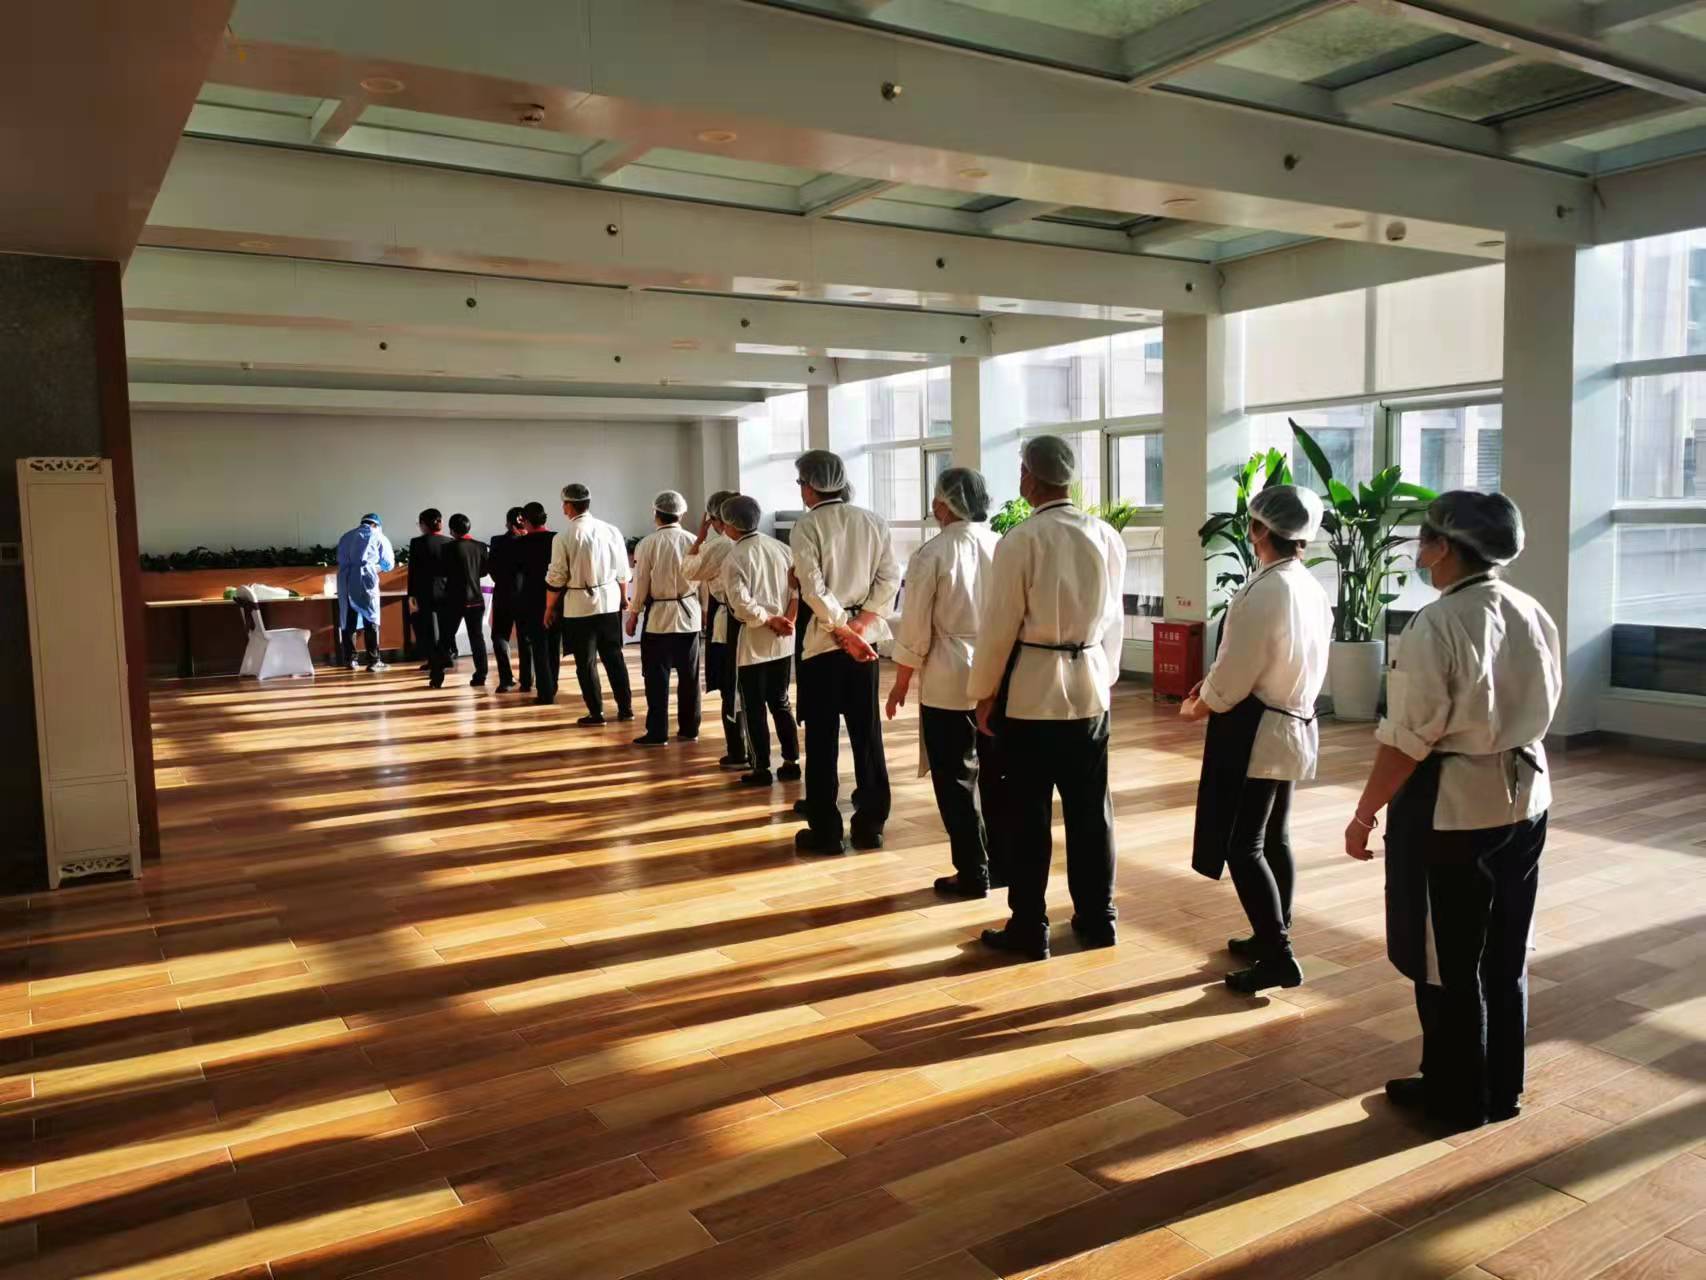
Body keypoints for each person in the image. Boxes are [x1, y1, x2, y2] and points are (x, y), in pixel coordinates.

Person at [1344, 491, 1560, 1133]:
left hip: (1455, 808)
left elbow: (1408, 740)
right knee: (1505, 949)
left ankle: (1456, 1094)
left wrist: (1364, 814)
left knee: (1447, 959)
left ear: (1443, 546)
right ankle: (1502, 1086)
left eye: (1424, 539)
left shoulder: (1435, 623)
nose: (1419, 550)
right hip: (1527, 797)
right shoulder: (1529, 608)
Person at [967, 435, 1127, 962]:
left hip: (1032, 693)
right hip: (1089, 688)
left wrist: (984, 692)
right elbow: (1114, 619)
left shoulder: (1022, 539)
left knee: (1027, 813)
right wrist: (1104, 676)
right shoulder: (1105, 535)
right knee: (1091, 811)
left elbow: (999, 625)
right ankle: (1099, 918)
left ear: (1030, 478)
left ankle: (1029, 925)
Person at [1180, 485, 1332, 994]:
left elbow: (1238, 668)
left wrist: (1201, 703)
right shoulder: (1309, 586)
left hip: (1258, 728)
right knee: (1275, 837)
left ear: (1260, 529)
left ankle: (1278, 954)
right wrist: (1213, 686)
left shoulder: (1265, 590)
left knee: (1242, 845)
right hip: (1293, 720)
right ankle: (1273, 930)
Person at [886, 467, 1006, 899]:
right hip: (999, 670)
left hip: (948, 672)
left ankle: (973, 870)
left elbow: (916, 628)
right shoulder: (1002, 544)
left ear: (943, 504)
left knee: (955, 778)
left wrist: (900, 682)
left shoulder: (932, 553)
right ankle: (1001, 862)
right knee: (996, 774)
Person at [790, 449, 901, 856]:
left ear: (810, 486)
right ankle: (871, 825)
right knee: (866, 735)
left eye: (801, 483)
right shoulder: (872, 521)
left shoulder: (807, 525)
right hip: (863, 645)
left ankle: (826, 831)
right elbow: (890, 578)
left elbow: (812, 586)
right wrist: (861, 625)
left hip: (824, 644)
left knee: (822, 739)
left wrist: (841, 628)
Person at [720, 496, 801, 786]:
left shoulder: (734, 558)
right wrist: (787, 619)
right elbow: (796, 589)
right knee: (781, 701)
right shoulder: (782, 548)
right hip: (783, 639)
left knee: (753, 706)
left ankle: (761, 767)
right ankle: (792, 761)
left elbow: (742, 605)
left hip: (753, 642)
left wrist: (769, 620)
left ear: (731, 525)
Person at [545, 483, 634, 725]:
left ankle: (596, 713)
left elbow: (556, 577)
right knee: (614, 658)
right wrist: (623, 597)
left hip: (579, 608)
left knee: (585, 663)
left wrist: (549, 608)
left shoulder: (563, 537)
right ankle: (626, 708)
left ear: (569, 505)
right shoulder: (611, 531)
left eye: (564, 504)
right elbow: (623, 571)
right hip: (609, 602)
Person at [627, 490, 703, 746]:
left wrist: (633, 614)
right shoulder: (693, 541)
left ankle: (658, 732)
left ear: (656, 513)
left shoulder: (648, 544)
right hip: (689, 616)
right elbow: (704, 581)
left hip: (659, 619)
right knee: (689, 677)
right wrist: (703, 611)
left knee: (656, 678)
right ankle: (690, 728)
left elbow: (641, 583)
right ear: (682, 514)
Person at [684, 491, 747, 770]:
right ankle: (759, 753)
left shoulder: (719, 545)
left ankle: (737, 750)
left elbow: (689, 571)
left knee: (730, 689)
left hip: (727, 623)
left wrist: (699, 539)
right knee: (754, 690)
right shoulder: (764, 544)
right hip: (759, 623)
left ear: (715, 519)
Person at [334, 513, 394, 671]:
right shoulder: (378, 536)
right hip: (364, 578)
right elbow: (388, 563)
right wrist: (376, 567)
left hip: (344, 579)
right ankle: (374, 661)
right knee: (371, 617)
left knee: (348, 618)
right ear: (376, 525)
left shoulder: (346, 536)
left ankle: (350, 660)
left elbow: (339, 558)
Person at [407, 508, 457, 688]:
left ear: (423, 525)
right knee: (444, 631)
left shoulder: (417, 543)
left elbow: (413, 571)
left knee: (429, 633)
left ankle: (436, 669)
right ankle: (445, 657)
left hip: (425, 592)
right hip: (446, 592)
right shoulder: (449, 542)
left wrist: (411, 594)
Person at [515, 502, 560, 705]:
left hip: (532, 600)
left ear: (524, 520)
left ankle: (545, 692)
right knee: (554, 646)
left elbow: (516, 572)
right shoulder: (557, 539)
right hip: (556, 598)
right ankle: (553, 685)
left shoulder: (521, 544)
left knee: (539, 647)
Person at [488, 506, 533, 694]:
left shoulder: (496, 541)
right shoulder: (530, 542)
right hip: (526, 595)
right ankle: (527, 680)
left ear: (508, 523)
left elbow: (491, 569)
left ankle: (506, 680)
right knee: (526, 638)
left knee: (500, 636)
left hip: (503, 594)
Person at [446, 513, 491, 688]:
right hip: (475, 599)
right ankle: (481, 674)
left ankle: (437, 675)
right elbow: (484, 572)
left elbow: (444, 572)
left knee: (446, 636)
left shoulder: (448, 548)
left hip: (454, 599)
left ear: (451, 530)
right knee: (477, 638)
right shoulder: (481, 546)